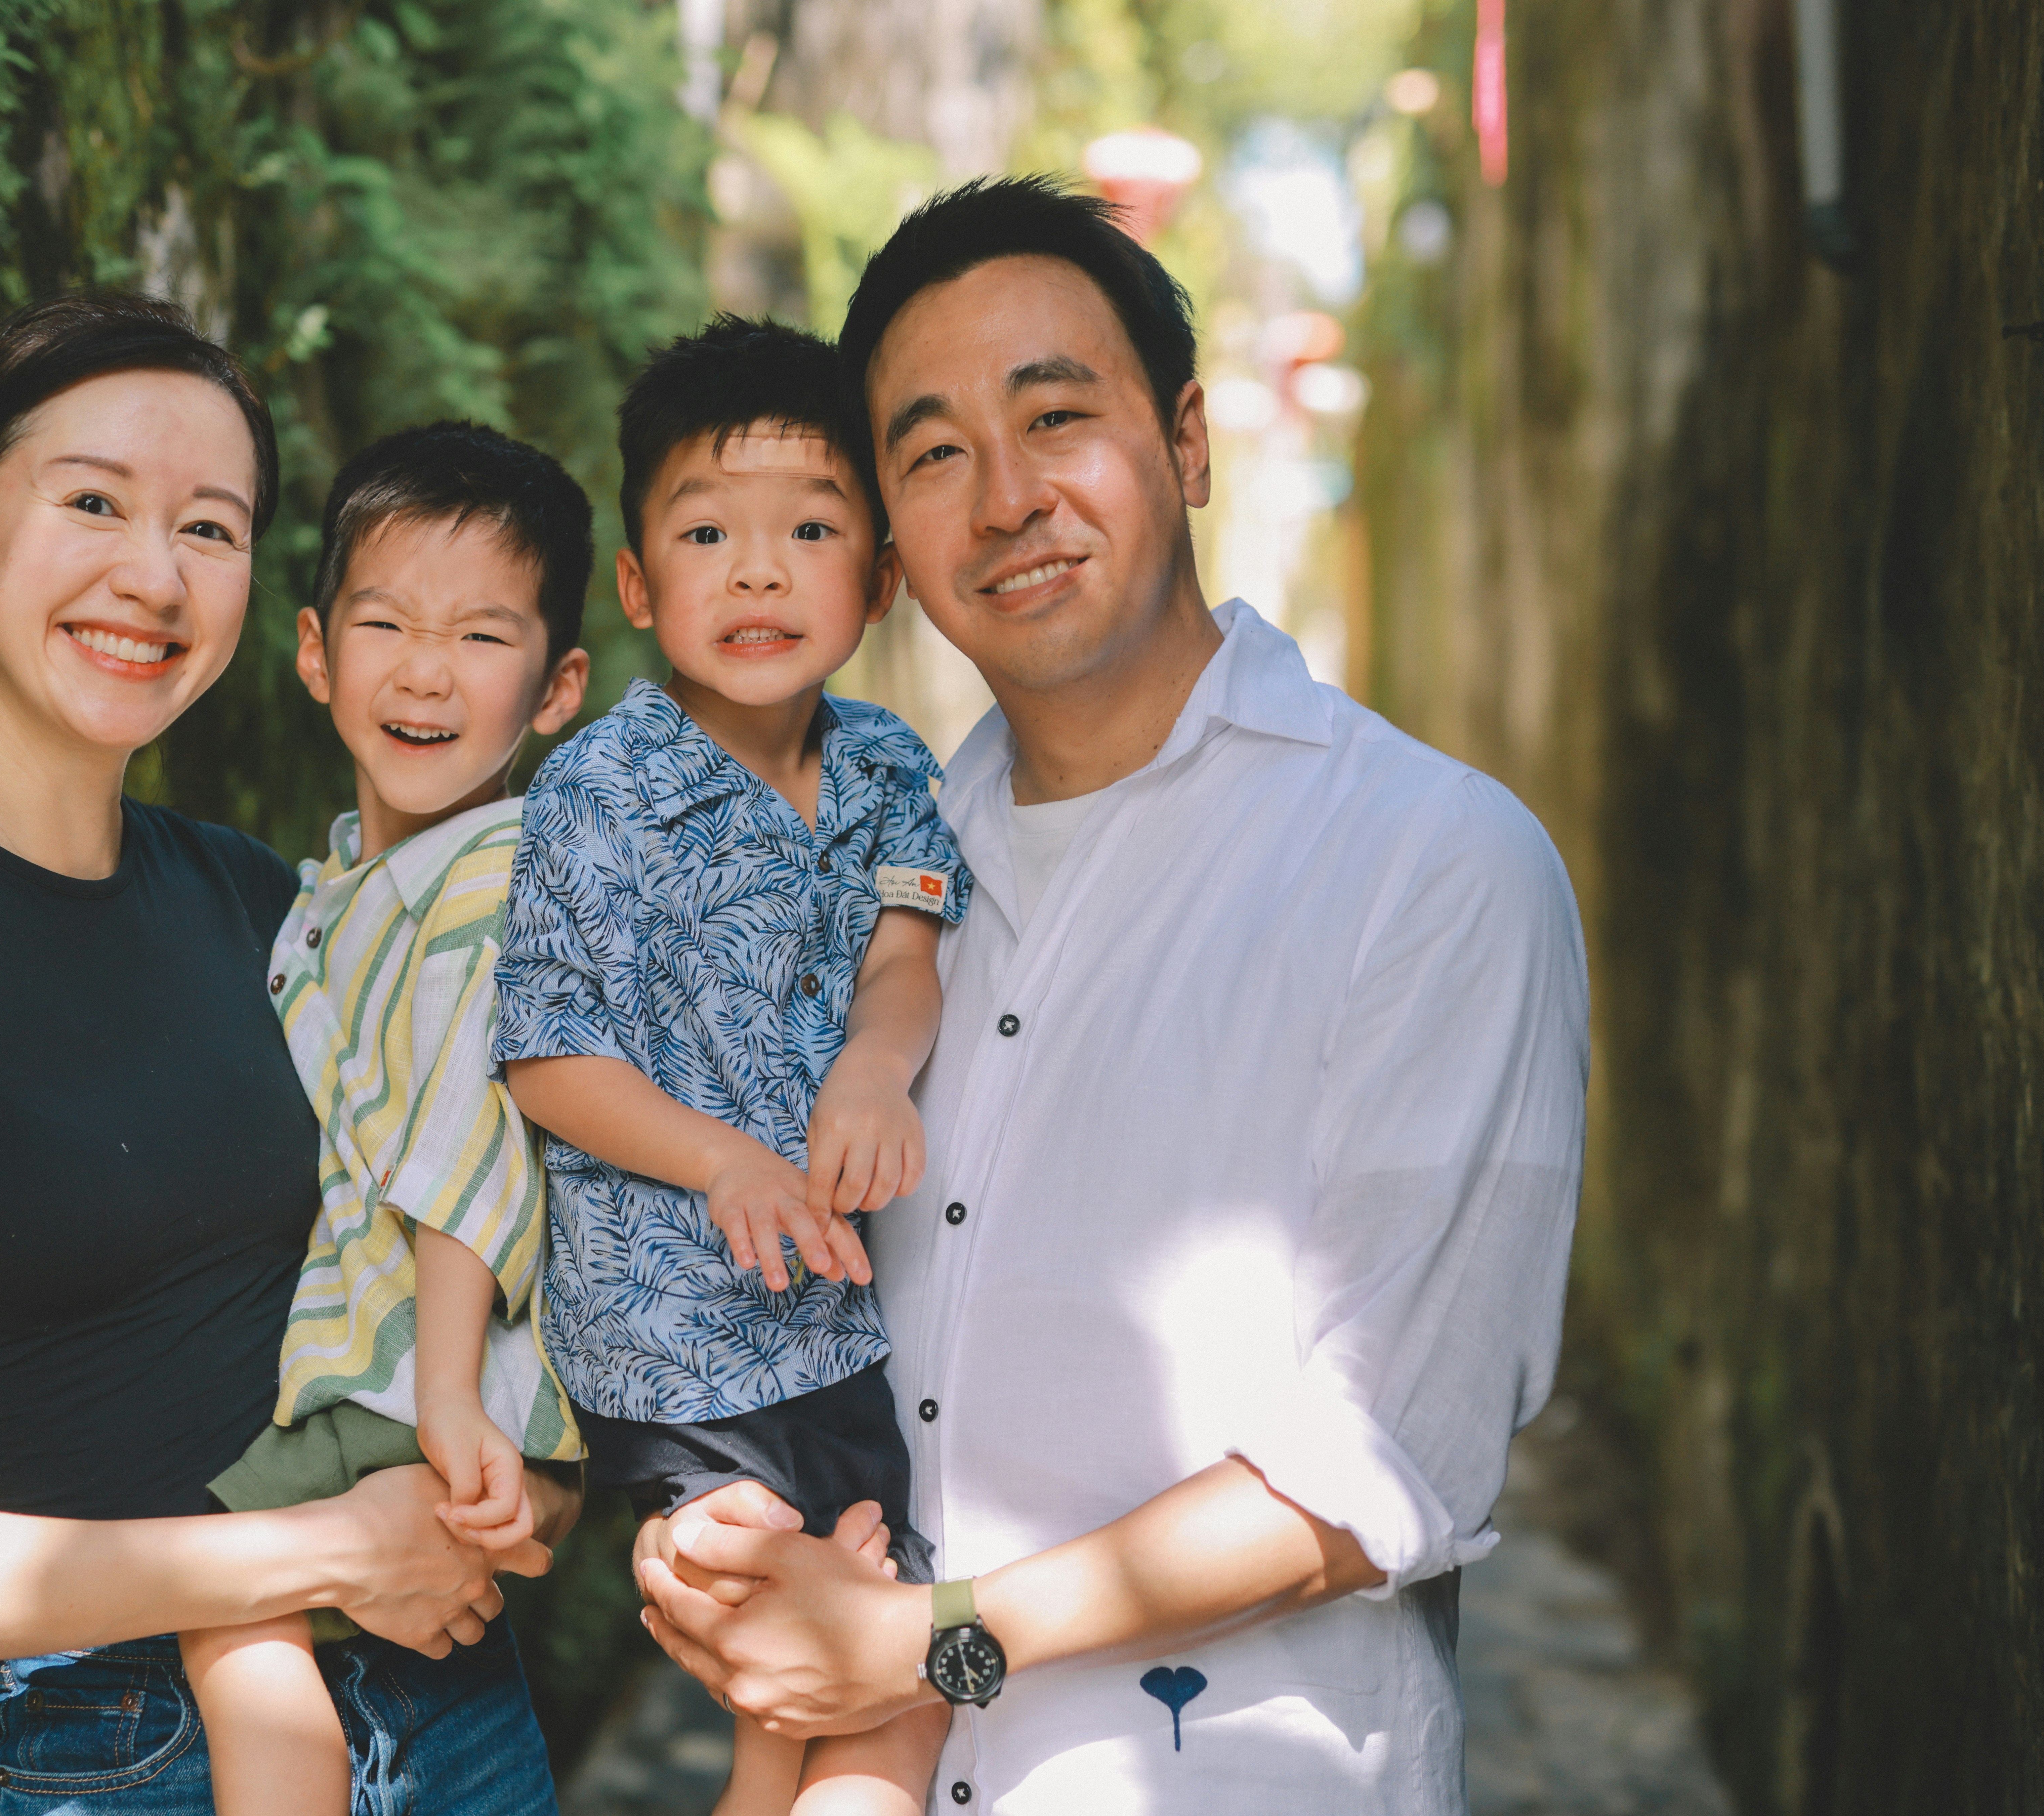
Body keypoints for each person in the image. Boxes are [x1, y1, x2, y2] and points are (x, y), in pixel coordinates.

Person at [630, 180, 1590, 1814]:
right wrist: (712, 1523)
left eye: (1057, 417)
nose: (1008, 499)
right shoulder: (871, 881)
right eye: (935, 453)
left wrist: (926, 1644)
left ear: (1188, 443)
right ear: (888, 539)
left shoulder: (1429, 861)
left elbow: (1384, 1461)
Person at [0, 291, 574, 1816]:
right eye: (94, 502)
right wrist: (323, 1550)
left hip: (456, 1705)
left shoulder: (272, 905)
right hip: (126, 1752)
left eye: (211, 528)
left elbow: (471, 1194)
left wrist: (525, 1488)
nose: (154, 576)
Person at [494, 318, 971, 1816]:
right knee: (772, 1582)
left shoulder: (892, 766)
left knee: (857, 1606)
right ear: (640, 587)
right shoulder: (597, 790)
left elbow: (908, 953)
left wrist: (875, 1071)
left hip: (839, 1316)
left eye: (810, 531)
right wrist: (726, 1160)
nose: (758, 573)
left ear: (879, 580)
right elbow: (549, 1053)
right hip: (674, 1323)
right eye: (708, 534)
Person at [178, 422, 596, 1816]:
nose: (425, 671)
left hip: (418, 1377)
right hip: (417, 1374)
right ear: (316, 653)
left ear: (558, 687)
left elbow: (469, 1149)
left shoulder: (494, 878)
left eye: (481, 635)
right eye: (387, 624)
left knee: (224, 1597)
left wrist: (447, 1398)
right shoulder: (348, 885)